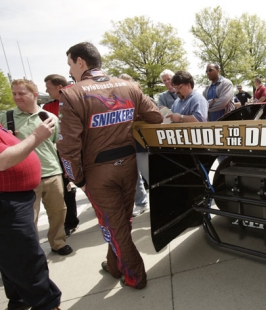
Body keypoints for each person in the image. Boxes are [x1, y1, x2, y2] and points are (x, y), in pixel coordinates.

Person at [58, 42, 163, 289]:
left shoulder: (72, 93)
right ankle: (114, 265)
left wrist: (77, 179)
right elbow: (155, 117)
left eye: (70, 64)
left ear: (80, 61)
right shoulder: (130, 86)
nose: (70, 70)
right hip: (128, 167)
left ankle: (135, 277)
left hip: (98, 173)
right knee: (118, 223)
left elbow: (68, 147)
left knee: (116, 227)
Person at [0, 79, 72, 256]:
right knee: (28, 220)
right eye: (14, 93)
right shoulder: (5, 118)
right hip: (25, 180)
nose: (17, 97)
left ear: (34, 95)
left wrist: (67, 173)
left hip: (52, 173)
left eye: (21, 93)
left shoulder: (50, 117)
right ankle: (31, 250)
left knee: (58, 212)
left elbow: (59, 145)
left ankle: (58, 242)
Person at [0, 117, 62, 310]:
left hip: (13, 198)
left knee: (11, 257)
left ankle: (19, 301)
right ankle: (46, 304)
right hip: (6, 202)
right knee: (25, 258)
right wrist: (37, 136)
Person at [44, 74, 80, 236]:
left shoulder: (78, 99)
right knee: (66, 188)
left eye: (48, 87)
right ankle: (70, 222)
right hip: (62, 153)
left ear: (59, 87)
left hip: (82, 150)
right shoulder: (48, 108)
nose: (46, 90)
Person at [117, 73, 149, 218]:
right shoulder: (115, 105)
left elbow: (155, 118)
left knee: (150, 176)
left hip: (143, 146)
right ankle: (141, 203)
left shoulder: (145, 100)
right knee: (133, 179)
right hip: (126, 147)